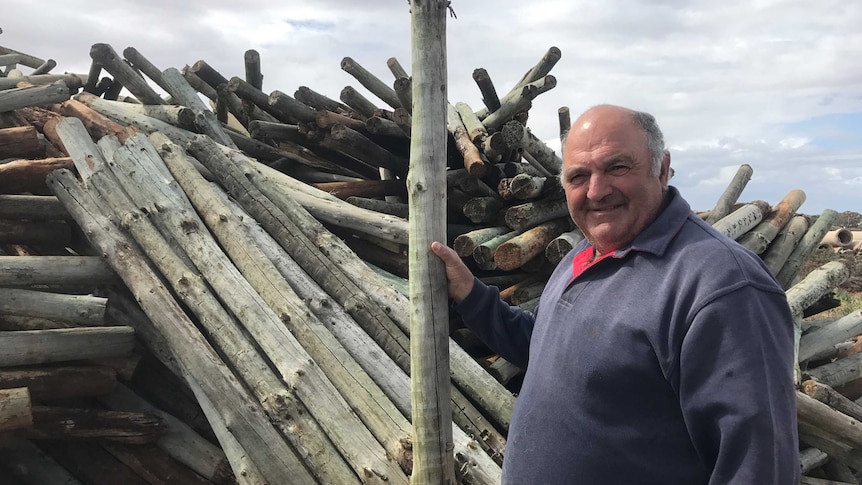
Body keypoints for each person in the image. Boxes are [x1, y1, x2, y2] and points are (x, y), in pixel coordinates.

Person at [431, 104, 799, 484]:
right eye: (578, 176)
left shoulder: (721, 287)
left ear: (661, 168)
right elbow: (547, 348)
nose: (596, 190)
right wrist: (472, 294)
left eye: (616, 168)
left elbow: (758, 465)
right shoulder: (584, 253)